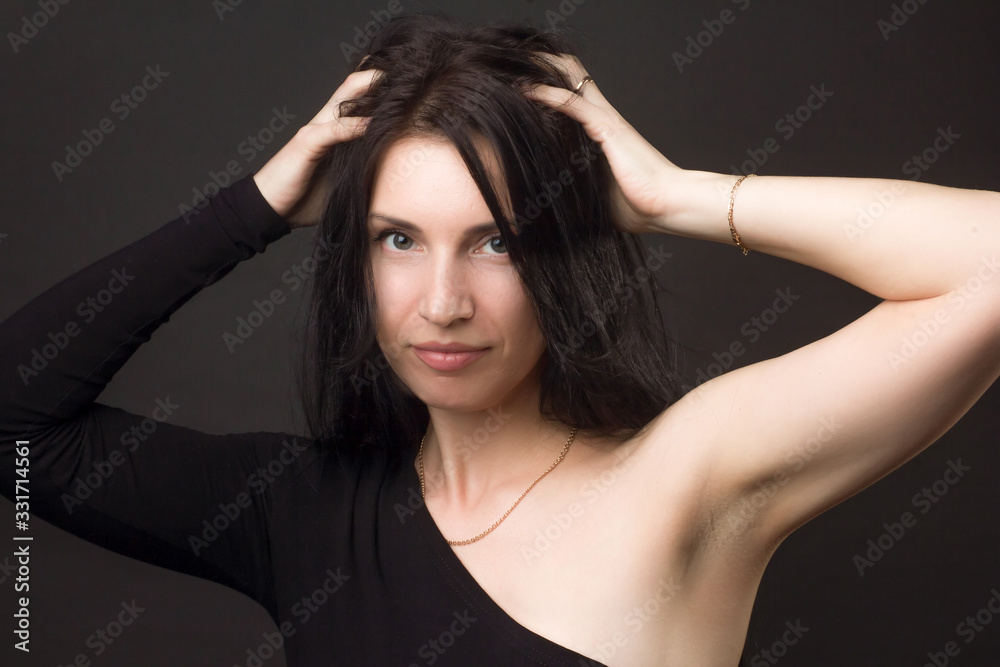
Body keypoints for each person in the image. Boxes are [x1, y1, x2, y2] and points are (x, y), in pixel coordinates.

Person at [2, 12, 999, 666]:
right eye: (398, 239)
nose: (441, 301)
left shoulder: (687, 476)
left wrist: (677, 198)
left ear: (560, 251)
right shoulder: (297, 512)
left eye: (496, 241)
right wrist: (252, 206)